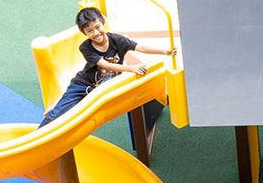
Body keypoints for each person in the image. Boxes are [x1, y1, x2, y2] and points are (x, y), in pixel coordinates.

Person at [39, 7, 176, 127]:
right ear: (84, 33)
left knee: (74, 112)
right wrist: (131, 68)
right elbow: (106, 65)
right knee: (58, 116)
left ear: (103, 23)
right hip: (82, 85)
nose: (96, 33)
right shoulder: (86, 47)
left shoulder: (117, 40)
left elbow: (140, 47)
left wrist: (164, 51)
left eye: (97, 27)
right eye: (90, 31)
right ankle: (38, 134)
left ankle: (59, 106)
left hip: (99, 89)